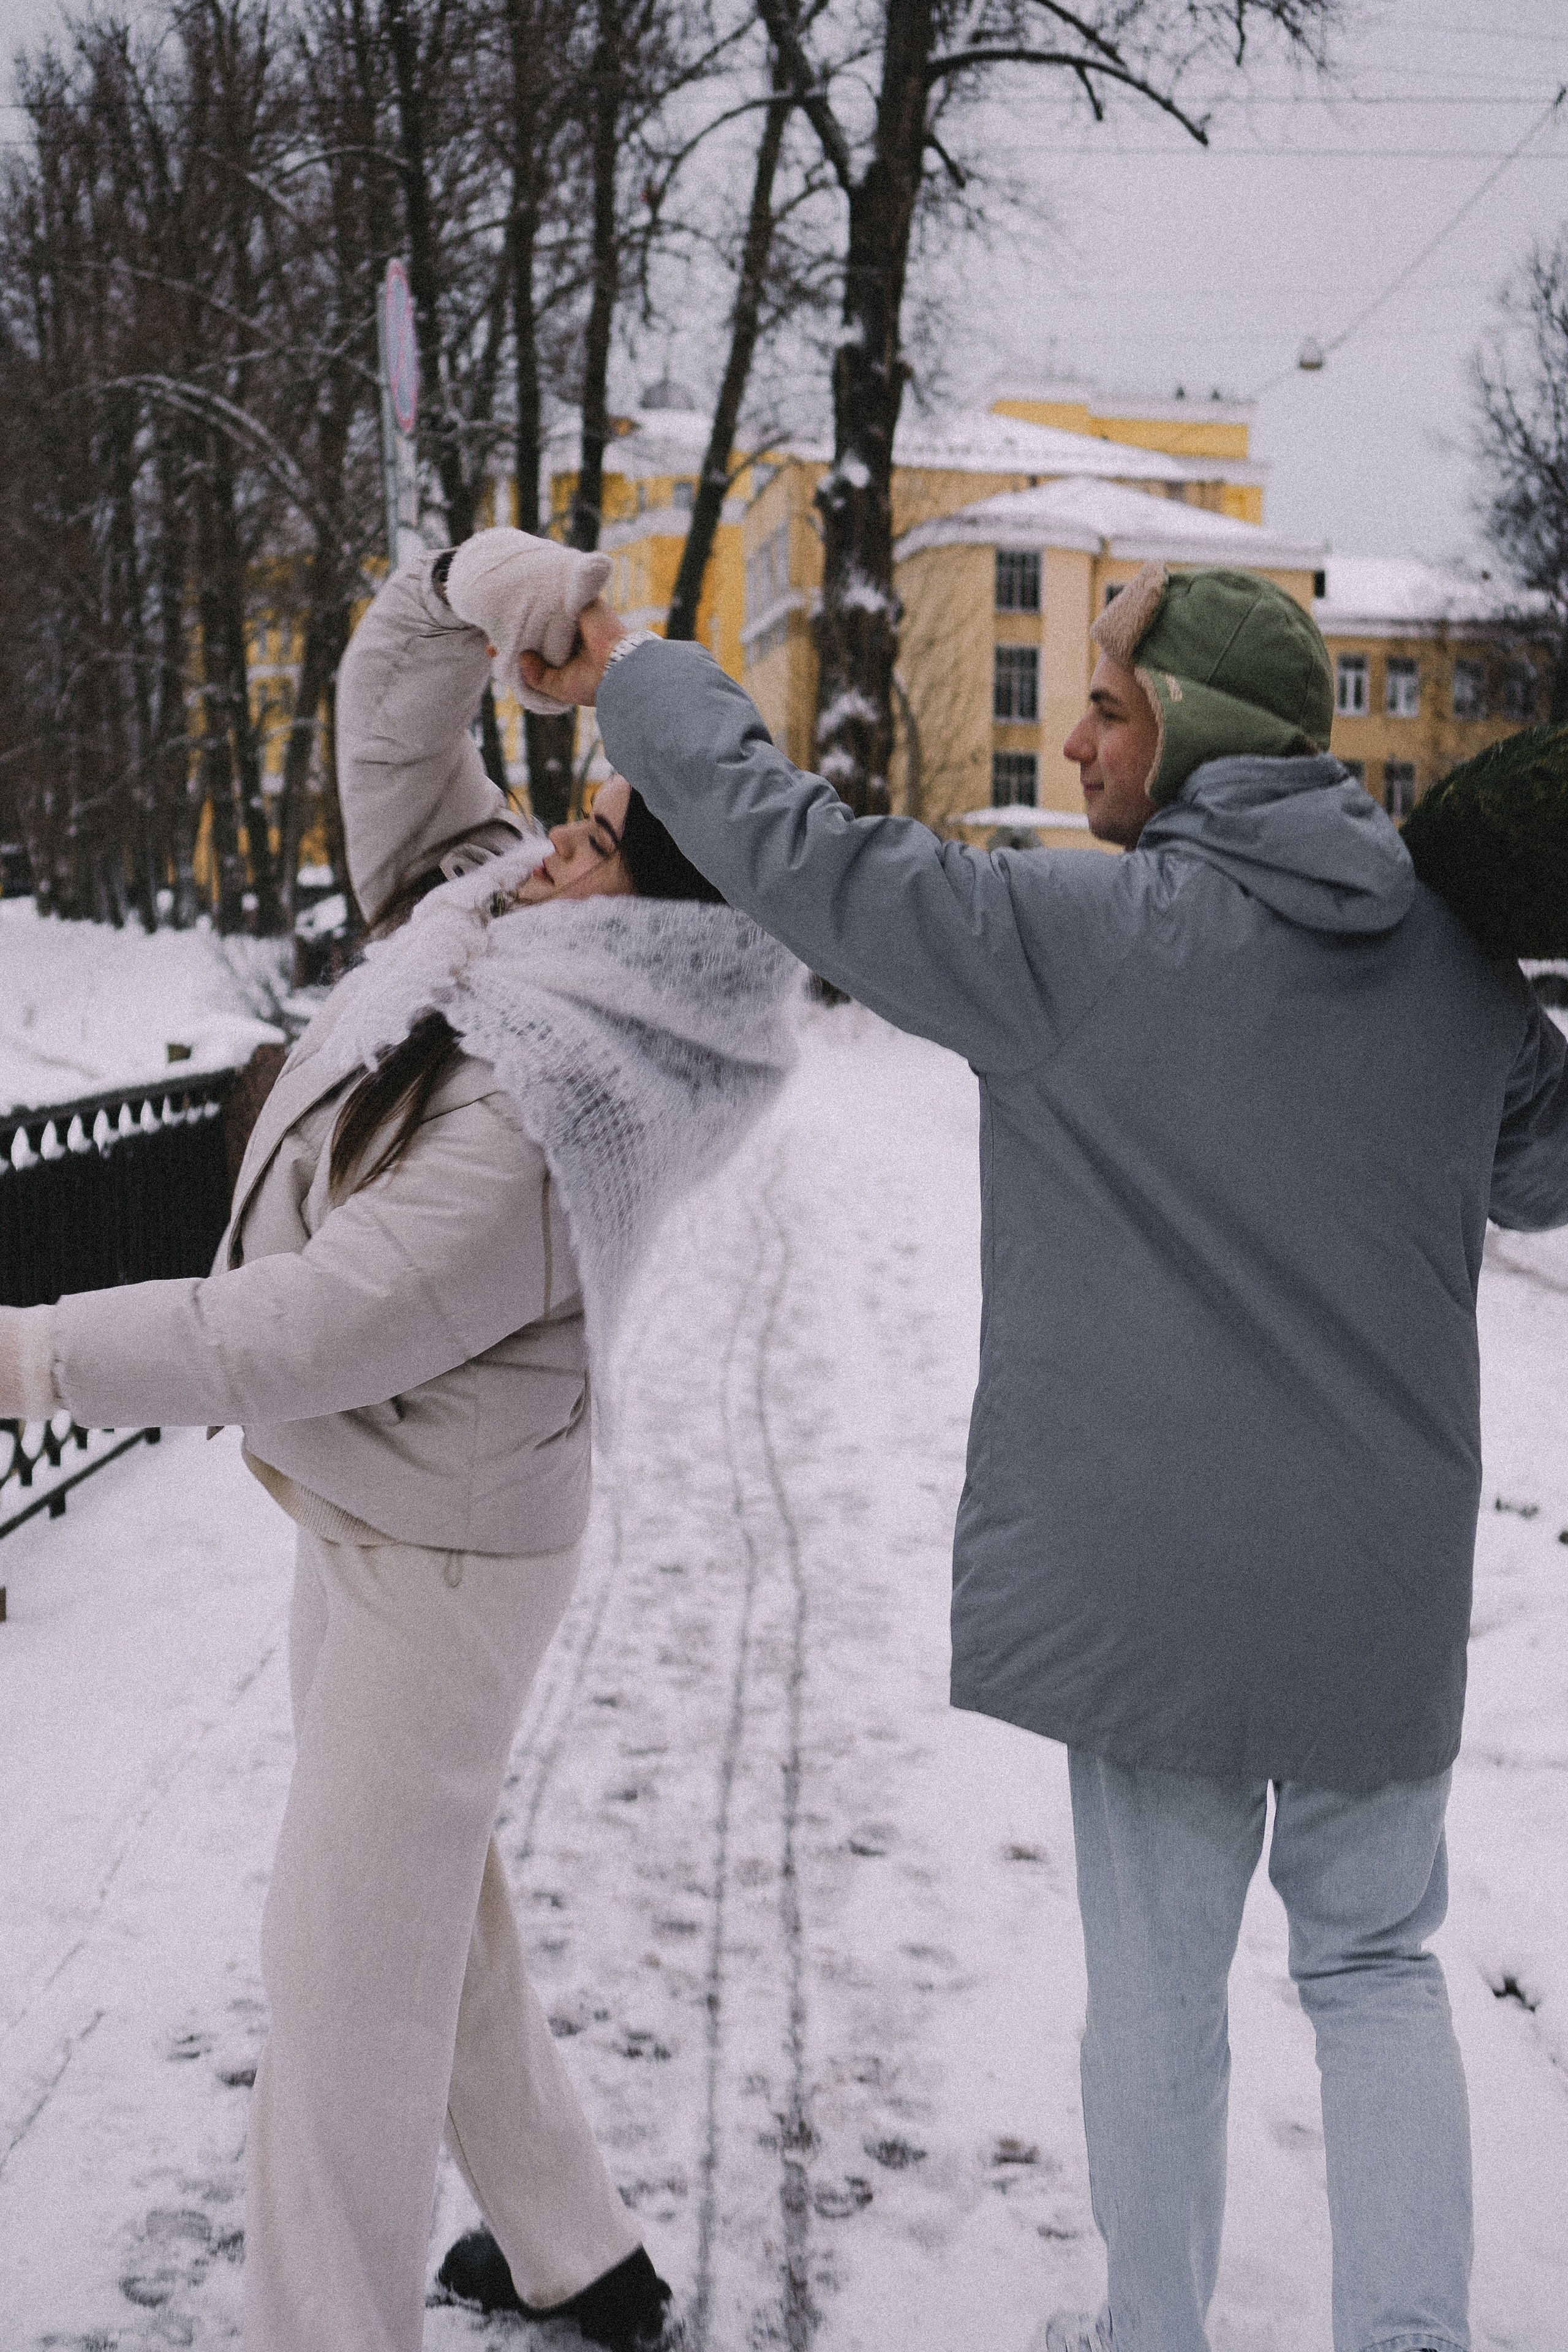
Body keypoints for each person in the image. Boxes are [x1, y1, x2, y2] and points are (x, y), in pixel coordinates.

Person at [518, 556, 1568, 2352]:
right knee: (1380, 1970)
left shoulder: (1073, 947)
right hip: (1374, 1596)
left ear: (1196, 735)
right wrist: (1467, 973)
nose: (1076, 739)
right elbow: (1542, 1170)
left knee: (1158, 2001)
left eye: (1111, 707)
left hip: (1156, 1593)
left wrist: (632, 671)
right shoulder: (1457, 981)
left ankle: (1152, 2327)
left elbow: (800, 850)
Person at [0, 531, 799, 2352]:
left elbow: (291, 1329)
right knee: (425, 1912)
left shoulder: (562, 1110)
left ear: (668, 933)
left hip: (443, 1562)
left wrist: (32, 1355)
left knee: (342, 1994)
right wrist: (493, 590)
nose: (548, 849)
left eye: (595, 846)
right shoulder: (499, 922)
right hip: (374, 1512)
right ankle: (574, 2249)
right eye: (573, 817)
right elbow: (390, 723)